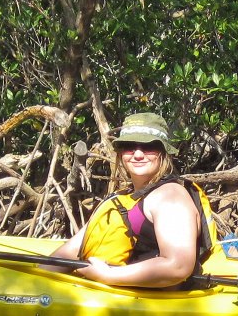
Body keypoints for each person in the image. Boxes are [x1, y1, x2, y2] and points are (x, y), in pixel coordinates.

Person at [47, 112, 215, 287]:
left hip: (153, 305)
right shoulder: (125, 197)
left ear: (164, 152)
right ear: (121, 153)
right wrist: (37, 276)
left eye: (148, 146)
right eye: (129, 146)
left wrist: (108, 275)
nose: (138, 154)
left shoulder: (170, 197)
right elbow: (72, 250)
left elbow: (178, 266)